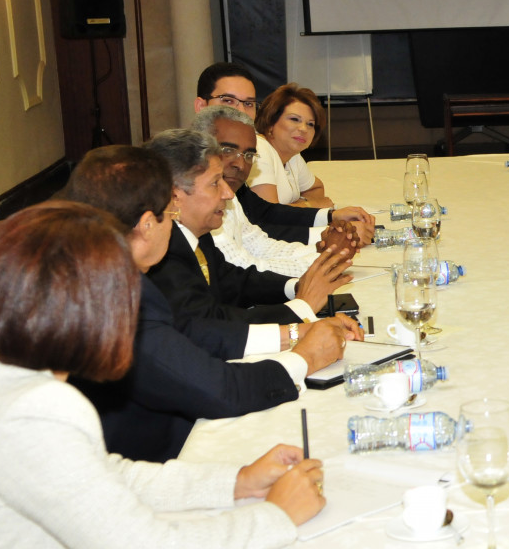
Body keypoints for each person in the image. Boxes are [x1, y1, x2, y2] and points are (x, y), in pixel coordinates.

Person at [0, 202, 324, 549]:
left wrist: (236, 481)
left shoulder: (2, 374)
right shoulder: (34, 406)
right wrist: (276, 517)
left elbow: (104, 475)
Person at [64, 145, 361, 462]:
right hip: (148, 456)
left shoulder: (104, 274)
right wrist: (305, 358)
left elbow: (192, 331)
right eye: (170, 214)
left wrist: (294, 333)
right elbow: (219, 389)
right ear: (148, 224)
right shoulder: (121, 297)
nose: (175, 225)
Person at [144, 129, 352, 327]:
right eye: (215, 183)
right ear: (174, 195)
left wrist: (297, 286)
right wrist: (300, 310)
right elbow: (211, 325)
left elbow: (233, 282)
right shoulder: (162, 253)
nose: (228, 193)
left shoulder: (195, 234)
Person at [192, 62, 375, 244]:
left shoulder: (241, 157)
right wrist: (327, 234)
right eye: (228, 101)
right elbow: (256, 232)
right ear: (201, 106)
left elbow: (263, 213)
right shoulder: (188, 168)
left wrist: (330, 216)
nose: (240, 112)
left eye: (248, 103)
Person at [195, 106, 359, 277]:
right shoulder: (200, 203)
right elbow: (242, 268)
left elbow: (259, 244)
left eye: (248, 155)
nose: (240, 165)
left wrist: (321, 252)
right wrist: (325, 260)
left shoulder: (229, 192)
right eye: (228, 151)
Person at [250, 83, 330, 208]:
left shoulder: (292, 155)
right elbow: (268, 214)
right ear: (270, 122)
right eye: (294, 119)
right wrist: (310, 205)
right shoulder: (259, 150)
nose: (304, 129)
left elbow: (316, 189)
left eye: (310, 124)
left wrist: (297, 205)